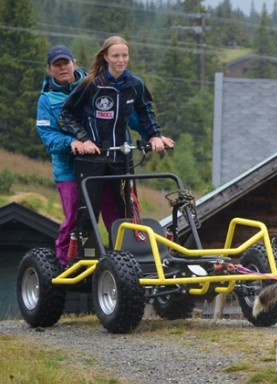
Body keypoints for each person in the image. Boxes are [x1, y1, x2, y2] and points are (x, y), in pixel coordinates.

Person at [59, 35, 174, 247]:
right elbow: (67, 113)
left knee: (127, 209)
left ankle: (123, 257)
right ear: (105, 57)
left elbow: (145, 112)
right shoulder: (91, 84)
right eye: (116, 56)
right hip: (92, 158)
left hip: (122, 156)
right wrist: (84, 139)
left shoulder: (135, 84)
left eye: (124, 55)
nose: (121, 60)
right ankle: (82, 257)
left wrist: (155, 136)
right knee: (88, 212)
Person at [36, 44, 127, 266]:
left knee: (116, 213)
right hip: (69, 169)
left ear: (74, 63)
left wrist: (153, 135)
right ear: (49, 69)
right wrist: (72, 142)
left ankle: (124, 260)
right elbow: (48, 137)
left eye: (65, 63)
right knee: (77, 217)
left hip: (103, 163)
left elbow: (124, 114)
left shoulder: (95, 85)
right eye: (57, 65)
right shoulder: (46, 100)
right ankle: (66, 263)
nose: (62, 68)